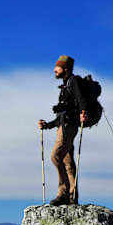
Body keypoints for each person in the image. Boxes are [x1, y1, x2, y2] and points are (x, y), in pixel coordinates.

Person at [38, 55, 89, 206]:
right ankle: (72, 197)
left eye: (57, 67)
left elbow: (81, 100)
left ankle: (63, 193)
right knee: (68, 162)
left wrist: (83, 112)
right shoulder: (66, 85)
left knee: (55, 156)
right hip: (64, 126)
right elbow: (63, 115)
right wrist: (48, 125)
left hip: (68, 127)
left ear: (65, 68)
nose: (54, 70)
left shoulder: (73, 81)